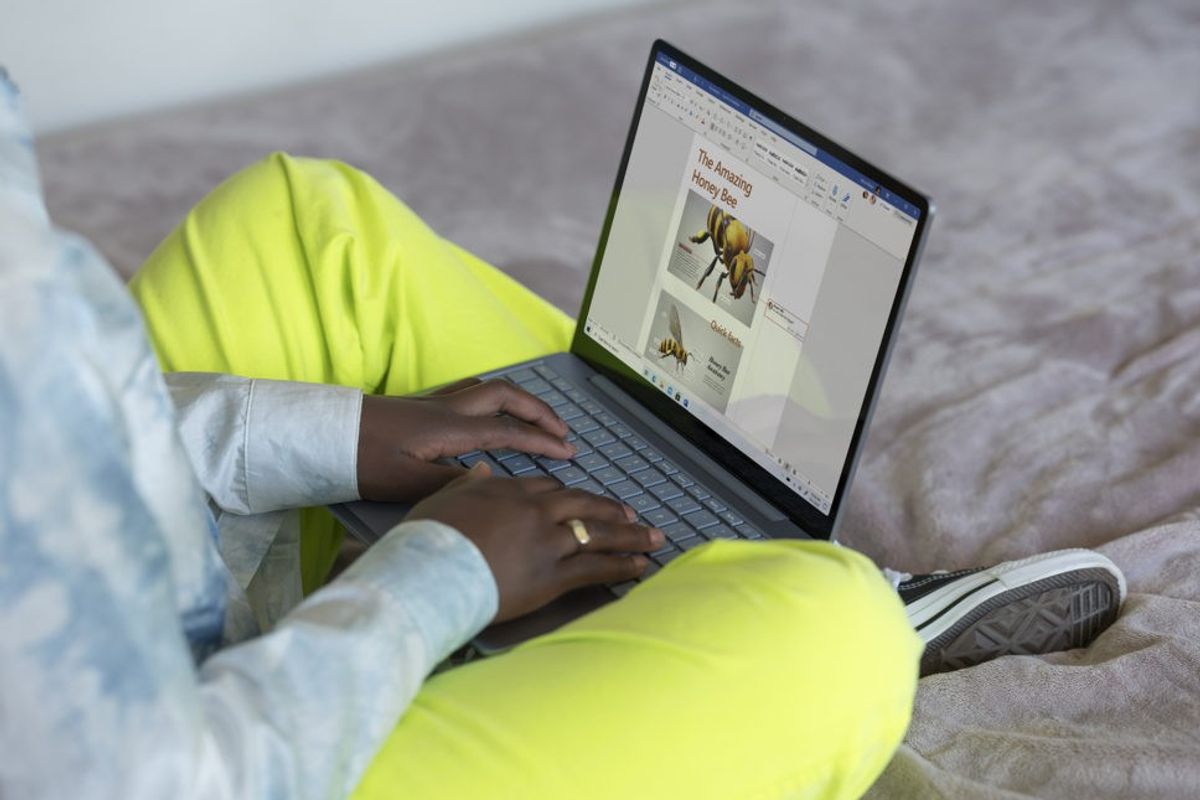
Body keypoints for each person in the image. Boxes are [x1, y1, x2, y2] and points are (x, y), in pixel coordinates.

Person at [0, 73, 1124, 800]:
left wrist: (340, 433)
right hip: (214, 757)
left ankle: (688, 531)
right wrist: (436, 576)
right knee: (835, 633)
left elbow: (64, 423)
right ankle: (780, 592)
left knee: (300, 223)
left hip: (146, 597)